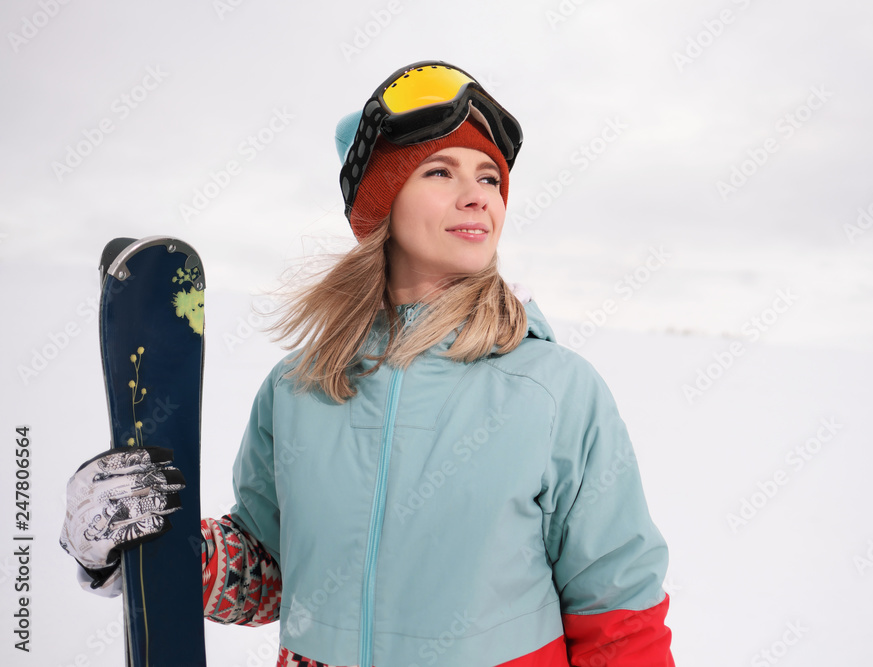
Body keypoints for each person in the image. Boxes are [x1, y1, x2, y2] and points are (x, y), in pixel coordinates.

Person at [60, 60, 676, 666]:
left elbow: (619, 615)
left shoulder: (555, 392)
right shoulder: (298, 388)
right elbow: (270, 568)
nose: (477, 197)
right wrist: (146, 552)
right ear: (380, 206)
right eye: (441, 171)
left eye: (490, 179)